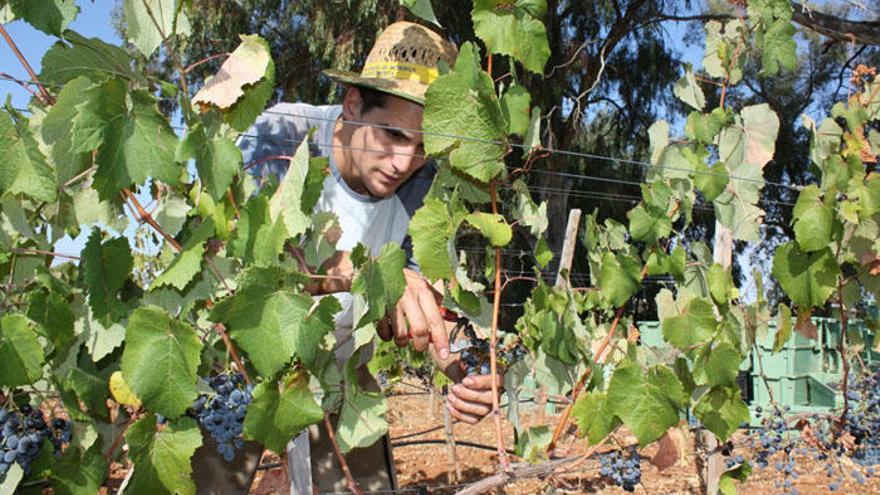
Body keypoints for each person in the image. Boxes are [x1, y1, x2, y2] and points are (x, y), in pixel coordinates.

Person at [221, 21, 500, 493]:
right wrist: (375, 275)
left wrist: (466, 366)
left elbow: (426, 296)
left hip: (343, 367)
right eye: (392, 135)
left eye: (422, 147)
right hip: (240, 358)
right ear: (353, 104)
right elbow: (246, 258)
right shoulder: (281, 136)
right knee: (209, 481)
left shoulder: (420, 186)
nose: (403, 163)